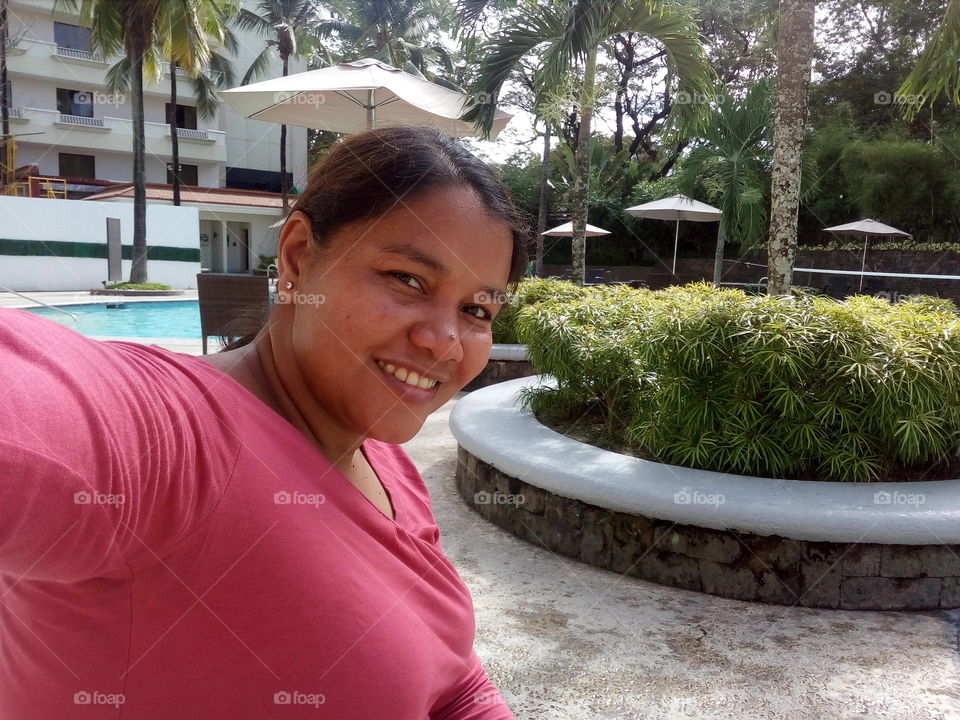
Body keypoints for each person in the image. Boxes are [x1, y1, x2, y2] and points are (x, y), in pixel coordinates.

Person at [0, 126, 528, 718]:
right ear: (298, 255)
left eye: (476, 309)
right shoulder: (174, 439)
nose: (444, 342)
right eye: (407, 279)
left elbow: (454, 680)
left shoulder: (390, 469)